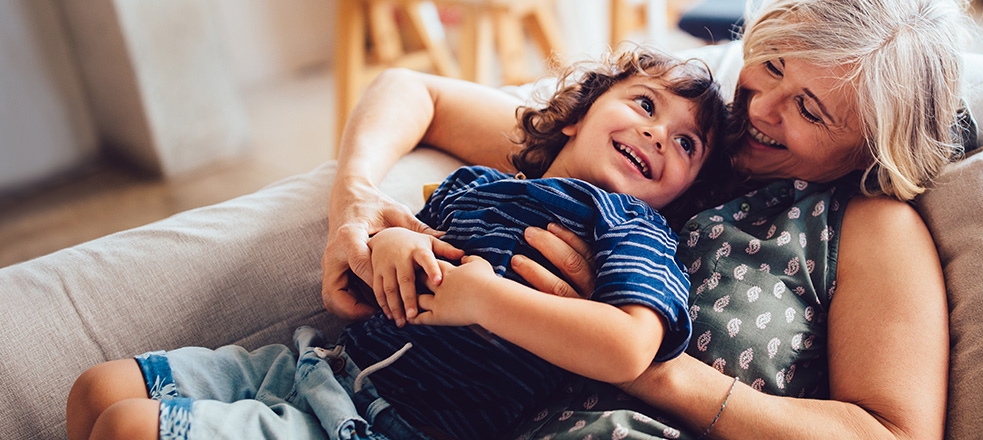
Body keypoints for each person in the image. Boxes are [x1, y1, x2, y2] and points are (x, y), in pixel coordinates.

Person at [318, 0, 974, 438]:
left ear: (871, 146)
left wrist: (643, 362)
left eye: (809, 110)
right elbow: (418, 94)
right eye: (771, 64)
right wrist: (355, 199)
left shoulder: (870, 226)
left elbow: (888, 434)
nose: (760, 106)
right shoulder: (671, 150)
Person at [66, 48, 734, 440]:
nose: (656, 135)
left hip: (391, 426)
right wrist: (385, 248)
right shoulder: (477, 184)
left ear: (681, 193)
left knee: (129, 427)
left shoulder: (632, 231)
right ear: (580, 114)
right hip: (312, 366)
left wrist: (484, 300)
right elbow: (391, 259)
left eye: (685, 144)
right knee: (98, 390)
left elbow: (628, 347)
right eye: (645, 106)